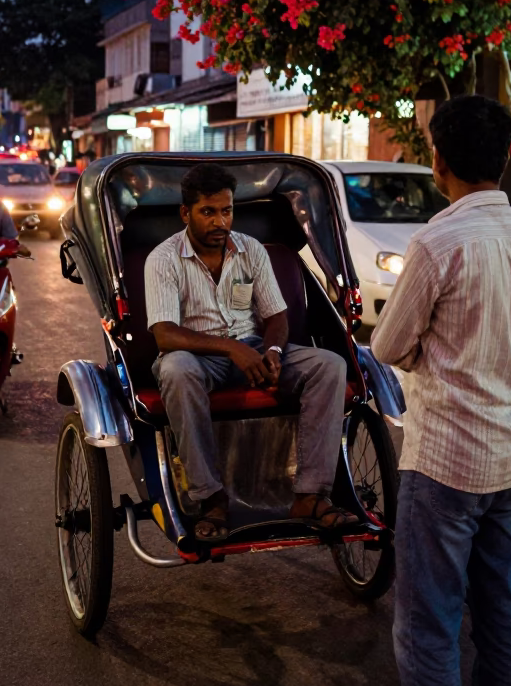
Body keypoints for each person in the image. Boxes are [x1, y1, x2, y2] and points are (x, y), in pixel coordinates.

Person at [366, 96, 511, 686]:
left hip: (446, 458)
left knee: (429, 630)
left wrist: (428, 356)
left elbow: (388, 348)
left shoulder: (439, 244)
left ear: (438, 162)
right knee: (504, 617)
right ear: (508, 158)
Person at [144, 161, 355, 541]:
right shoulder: (163, 258)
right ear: (185, 213)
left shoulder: (250, 250)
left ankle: (310, 493)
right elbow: (164, 335)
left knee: (330, 365)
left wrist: (273, 351)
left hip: (253, 349)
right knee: (175, 369)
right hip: (195, 358)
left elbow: (276, 316)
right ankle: (210, 498)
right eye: (207, 212)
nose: (219, 222)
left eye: (226, 211)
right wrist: (229, 348)